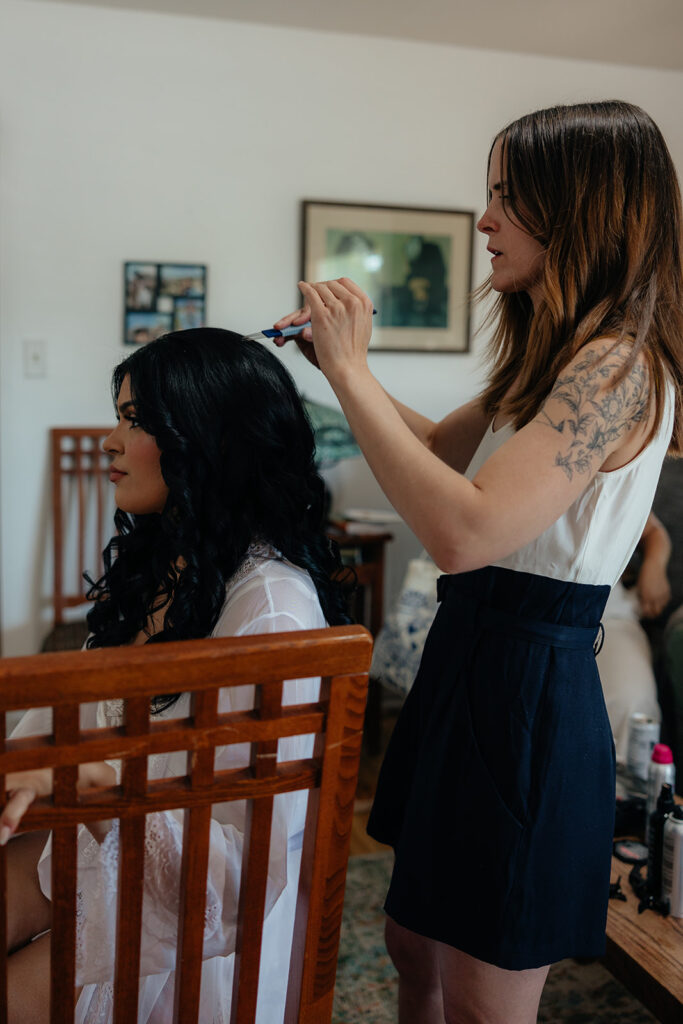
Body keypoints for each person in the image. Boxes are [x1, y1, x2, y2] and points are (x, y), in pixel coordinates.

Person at [272, 101, 683, 1024]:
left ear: (579, 207)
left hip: (526, 695)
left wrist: (349, 374)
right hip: (464, 664)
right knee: (411, 949)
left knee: (479, 997)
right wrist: (344, 371)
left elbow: (464, 530)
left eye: (504, 196)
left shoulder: (619, 368)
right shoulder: (550, 361)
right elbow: (439, 457)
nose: (484, 220)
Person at [0, 327, 350, 1023]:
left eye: (134, 421)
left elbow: (239, 881)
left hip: (190, 929)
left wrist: (99, 776)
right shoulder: (175, 563)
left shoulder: (273, 613)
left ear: (207, 439)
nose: (108, 440)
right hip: (106, 843)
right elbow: (80, 711)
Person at [598, 510, 671, 763]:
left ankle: (627, 795)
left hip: (607, 612)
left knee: (631, 701)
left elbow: (652, 531)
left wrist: (654, 564)